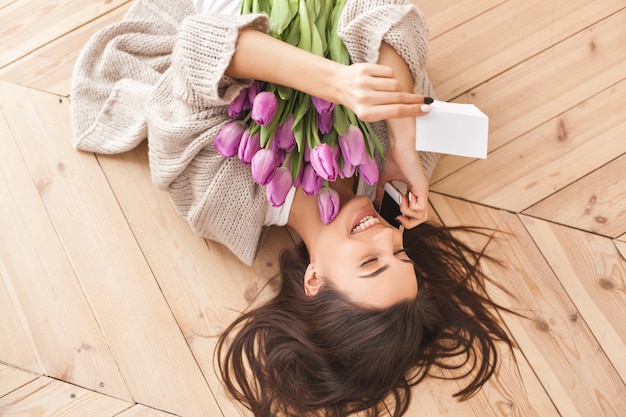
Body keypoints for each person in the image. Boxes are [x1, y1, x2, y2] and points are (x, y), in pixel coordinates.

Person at [71, 0, 515, 416]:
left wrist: (336, 84)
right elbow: (388, 14)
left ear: (315, 279)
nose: (386, 234)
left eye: (370, 262)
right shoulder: (397, 165)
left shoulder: (220, 201)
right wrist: (400, 138)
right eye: (401, 254)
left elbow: (198, 47)